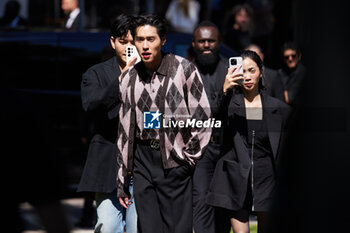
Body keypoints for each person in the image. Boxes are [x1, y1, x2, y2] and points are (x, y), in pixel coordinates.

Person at [117, 14, 212, 233]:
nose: (145, 45)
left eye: (151, 39)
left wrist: (189, 157)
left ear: (163, 40)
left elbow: (204, 118)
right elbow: (123, 130)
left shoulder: (184, 69)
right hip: (142, 162)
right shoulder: (129, 77)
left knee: (177, 229)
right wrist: (123, 178)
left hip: (175, 161)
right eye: (140, 40)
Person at [206, 50, 291, 233]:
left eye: (252, 70)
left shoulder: (278, 108)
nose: (247, 76)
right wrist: (225, 90)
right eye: (242, 71)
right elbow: (215, 121)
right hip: (236, 176)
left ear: (261, 71)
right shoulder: (229, 104)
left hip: (267, 177)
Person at [77, 14, 138, 233]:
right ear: (112, 42)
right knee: (108, 226)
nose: (129, 48)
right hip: (108, 165)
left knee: (137, 227)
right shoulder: (96, 73)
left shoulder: (151, 74)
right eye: (123, 42)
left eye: (134, 42)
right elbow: (91, 104)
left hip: (142, 167)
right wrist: (122, 80)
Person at [191, 20, 231, 233]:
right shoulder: (186, 72)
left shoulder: (231, 70)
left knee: (224, 205)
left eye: (211, 41)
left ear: (219, 42)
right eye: (202, 41)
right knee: (202, 203)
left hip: (228, 148)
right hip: (200, 150)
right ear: (194, 43)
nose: (206, 45)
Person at [277, 41, 306, 106]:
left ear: (299, 56)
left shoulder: (302, 72)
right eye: (287, 57)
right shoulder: (282, 72)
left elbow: (289, 99)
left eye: (293, 56)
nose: (290, 59)